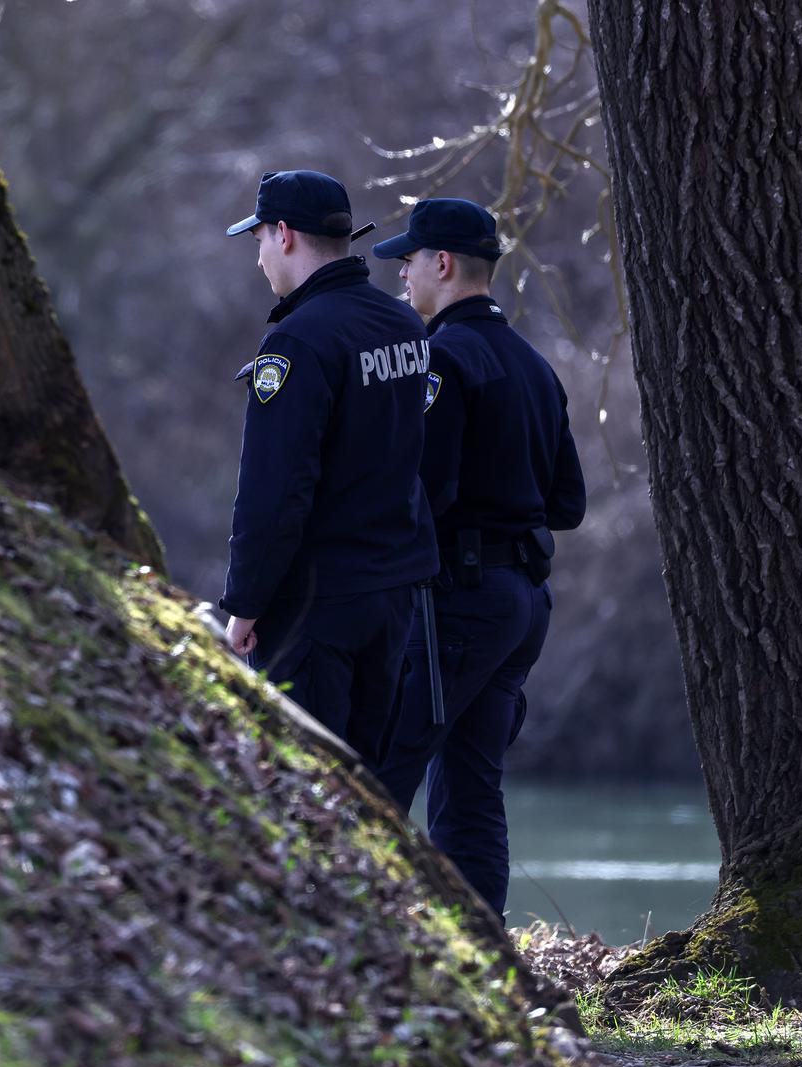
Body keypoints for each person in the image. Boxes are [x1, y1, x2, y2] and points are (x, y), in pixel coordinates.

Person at [368, 198, 587, 920]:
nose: (401, 275)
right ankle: (482, 953)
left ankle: (357, 938)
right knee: (469, 785)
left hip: (456, 602)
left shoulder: (441, 358)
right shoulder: (533, 366)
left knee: (380, 771)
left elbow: (423, 494)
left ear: (441, 263)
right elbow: (567, 505)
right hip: (520, 602)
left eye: (408, 260)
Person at [219, 170, 438, 752]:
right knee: (370, 790)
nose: (260, 257)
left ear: (283, 235)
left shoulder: (298, 342)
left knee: (310, 782)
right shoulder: (402, 324)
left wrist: (245, 602)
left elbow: (276, 487)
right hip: (394, 591)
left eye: (260, 239)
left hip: (316, 604)